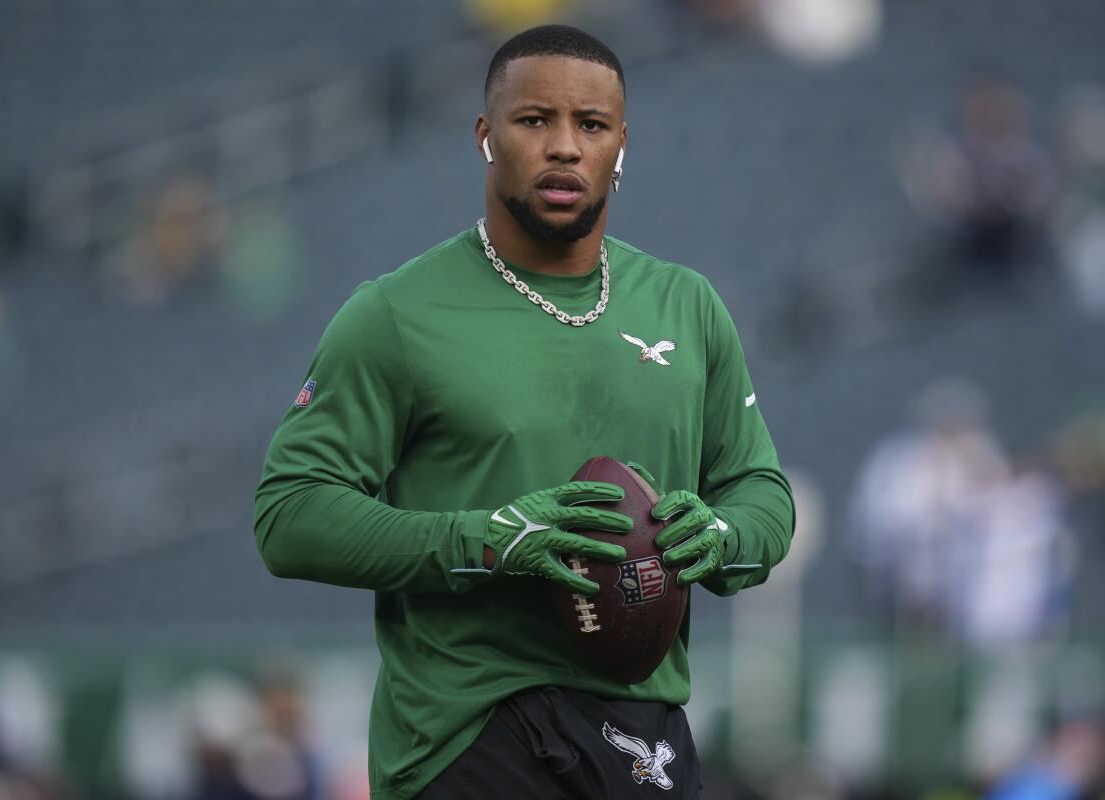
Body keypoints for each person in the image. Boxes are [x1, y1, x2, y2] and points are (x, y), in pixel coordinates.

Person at [254, 24, 794, 799]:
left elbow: (762, 496)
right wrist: (487, 540)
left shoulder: (688, 305)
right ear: (485, 136)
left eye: (592, 125)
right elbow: (289, 515)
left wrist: (719, 534)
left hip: (643, 739)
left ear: (621, 146)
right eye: (535, 120)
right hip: (468, 735)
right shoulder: (396, 314)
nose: (565, 147)